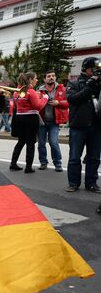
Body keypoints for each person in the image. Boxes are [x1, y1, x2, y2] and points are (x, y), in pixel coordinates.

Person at [65, 57, 101, 193]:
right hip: (78, 126)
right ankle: (73, 183)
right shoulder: (74, 83)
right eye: (94, 69)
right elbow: (72, 99)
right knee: (75, 157)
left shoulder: (98, 84)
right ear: (86, 69)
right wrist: (89, 86)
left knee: (94, 157)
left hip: (96, 125)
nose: (96, 72)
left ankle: (91, 183)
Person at [9, 72, 48, 173]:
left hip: (19, 118)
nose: (37, 80)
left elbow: (17, 105)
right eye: (35, 78)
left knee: (21, 141)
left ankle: (13, 163)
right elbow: (38, 106)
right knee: (31, 143)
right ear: (30, 80)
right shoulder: (31, 91)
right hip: (31, 118)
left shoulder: (17, 92)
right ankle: (28, 167)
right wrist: (44, 98)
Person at [37, 70, 69, 172]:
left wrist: (58, 103)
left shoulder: (62, 89)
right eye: (49, 76)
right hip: (41, 121)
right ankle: (43, 162)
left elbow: (68, 103)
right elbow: (35, 104)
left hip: (54, 122)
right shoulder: (39, 90)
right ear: (44, 79)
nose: (51, 77)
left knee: (53, 142)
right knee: (41, 143)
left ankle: (58, 163)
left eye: (53, 76)